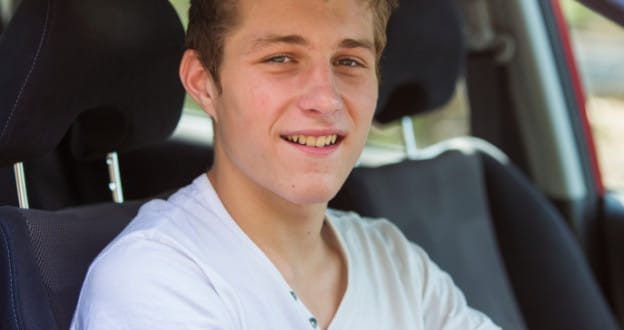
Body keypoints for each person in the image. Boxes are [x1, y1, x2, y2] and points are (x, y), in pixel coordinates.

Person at [71, 0, 500, 329]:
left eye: (349, 62)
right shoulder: (151, 281)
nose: (326, 99)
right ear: (203, 83)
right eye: (280, 59)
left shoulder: (396, 262)